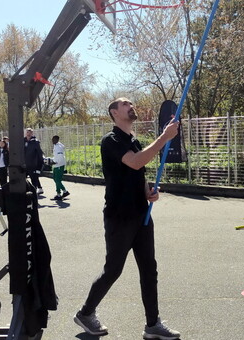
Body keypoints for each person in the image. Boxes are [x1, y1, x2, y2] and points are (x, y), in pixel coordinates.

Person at [75, 98, 181, 339]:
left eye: (131, 103)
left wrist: (147, 190)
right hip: (119, 217)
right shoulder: (110, 141)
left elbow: (139, 172)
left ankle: (152, 325)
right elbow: (135, 162)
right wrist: (164, 138)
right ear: (114, 112)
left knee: (149, 269)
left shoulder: (134, 140)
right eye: (125, 104)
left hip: (141, 214)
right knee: (113, 270)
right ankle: (85, 313)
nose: (131, 105)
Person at [24, 128, 45, 195]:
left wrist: (40, 164)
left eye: (30, 132)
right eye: (27, 132)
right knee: (22, 179)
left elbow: (39, 153)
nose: (28, 134)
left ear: (32, 134)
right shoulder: (22, 141)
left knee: (34, 179)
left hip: (32, 165)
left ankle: (34, 193)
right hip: (24, 164)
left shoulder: (35, 142)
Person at [50, 135, 70, 201]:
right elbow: (56, 156)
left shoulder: (58, 147)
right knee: (55, 179)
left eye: (53, 139)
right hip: (57, 165)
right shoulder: (57, 145)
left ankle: (63, 192)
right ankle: (61, 193)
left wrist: (55, 162)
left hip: (59, 165)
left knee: (57, 180)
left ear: (57, 140)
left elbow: (60, 156)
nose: (52, 141)